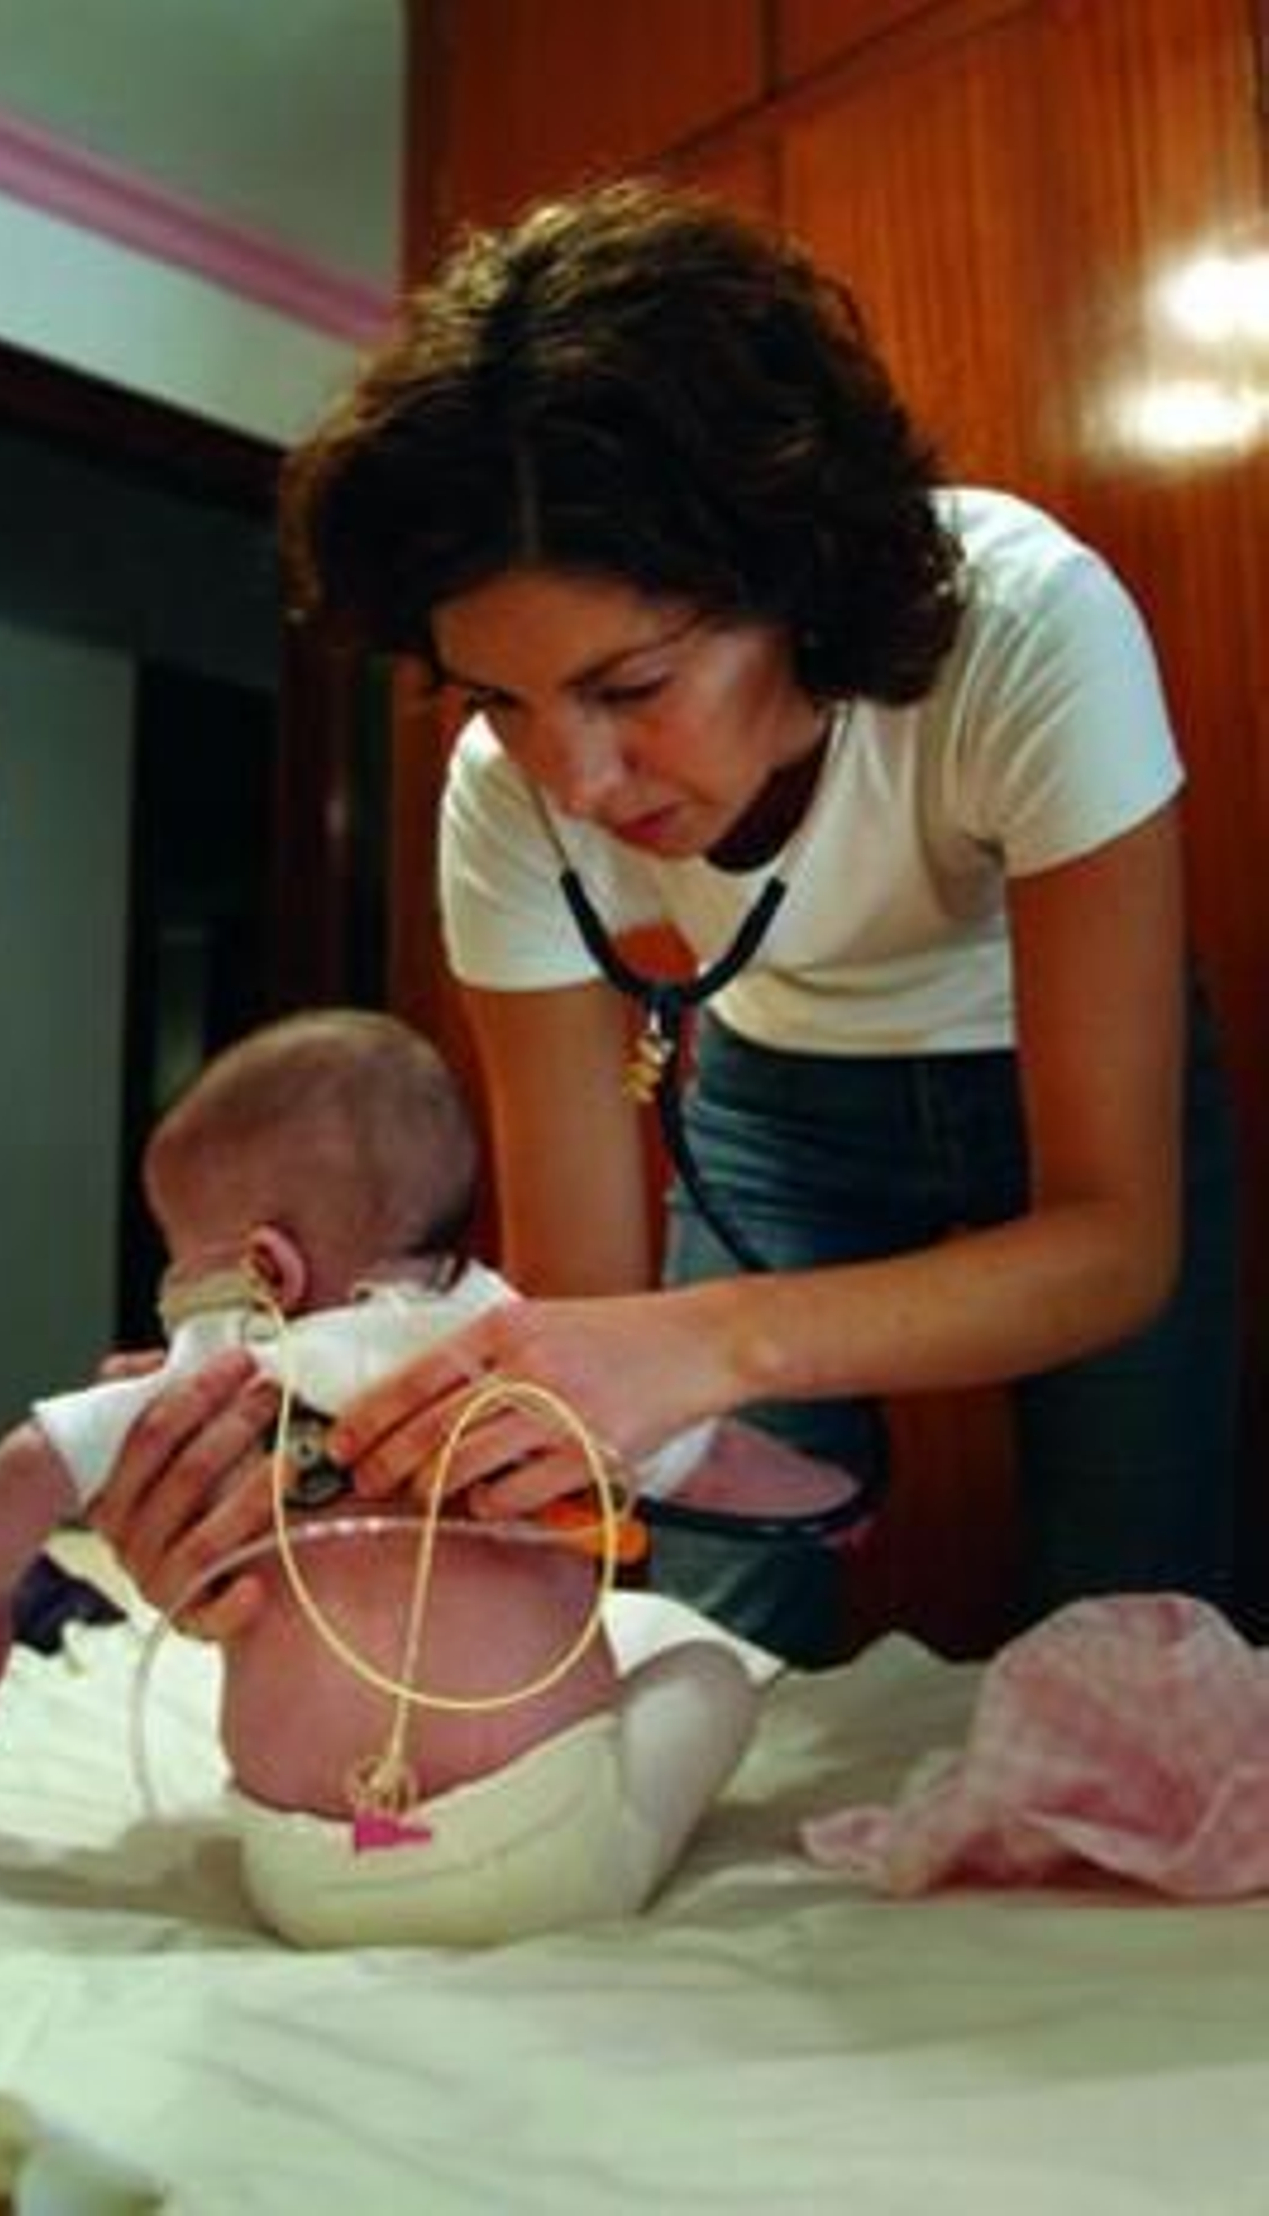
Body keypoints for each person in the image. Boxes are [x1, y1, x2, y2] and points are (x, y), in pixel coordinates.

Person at [98, 178, 1239, 1668]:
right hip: (777, 1101)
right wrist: (312, 1468)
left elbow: (1115, 1245)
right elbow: (579, 1336)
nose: (570, 775)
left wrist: (714, 1341)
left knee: (1143, 1623)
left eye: (630, 687)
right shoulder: (501, 803)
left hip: (1068, 1098)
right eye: (501, 698)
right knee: (689, 1630)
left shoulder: (1027, 631)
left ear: (805, 579)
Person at [0, 1007, 764, 1946]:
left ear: (265, 1265)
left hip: (302, 1871)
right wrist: (817, 1497)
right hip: (541, 1853)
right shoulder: (521, 1351)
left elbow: (34, 1460)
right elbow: (704, 1460)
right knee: (708, 1667)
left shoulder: (213, 1373)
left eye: (179, 1257)